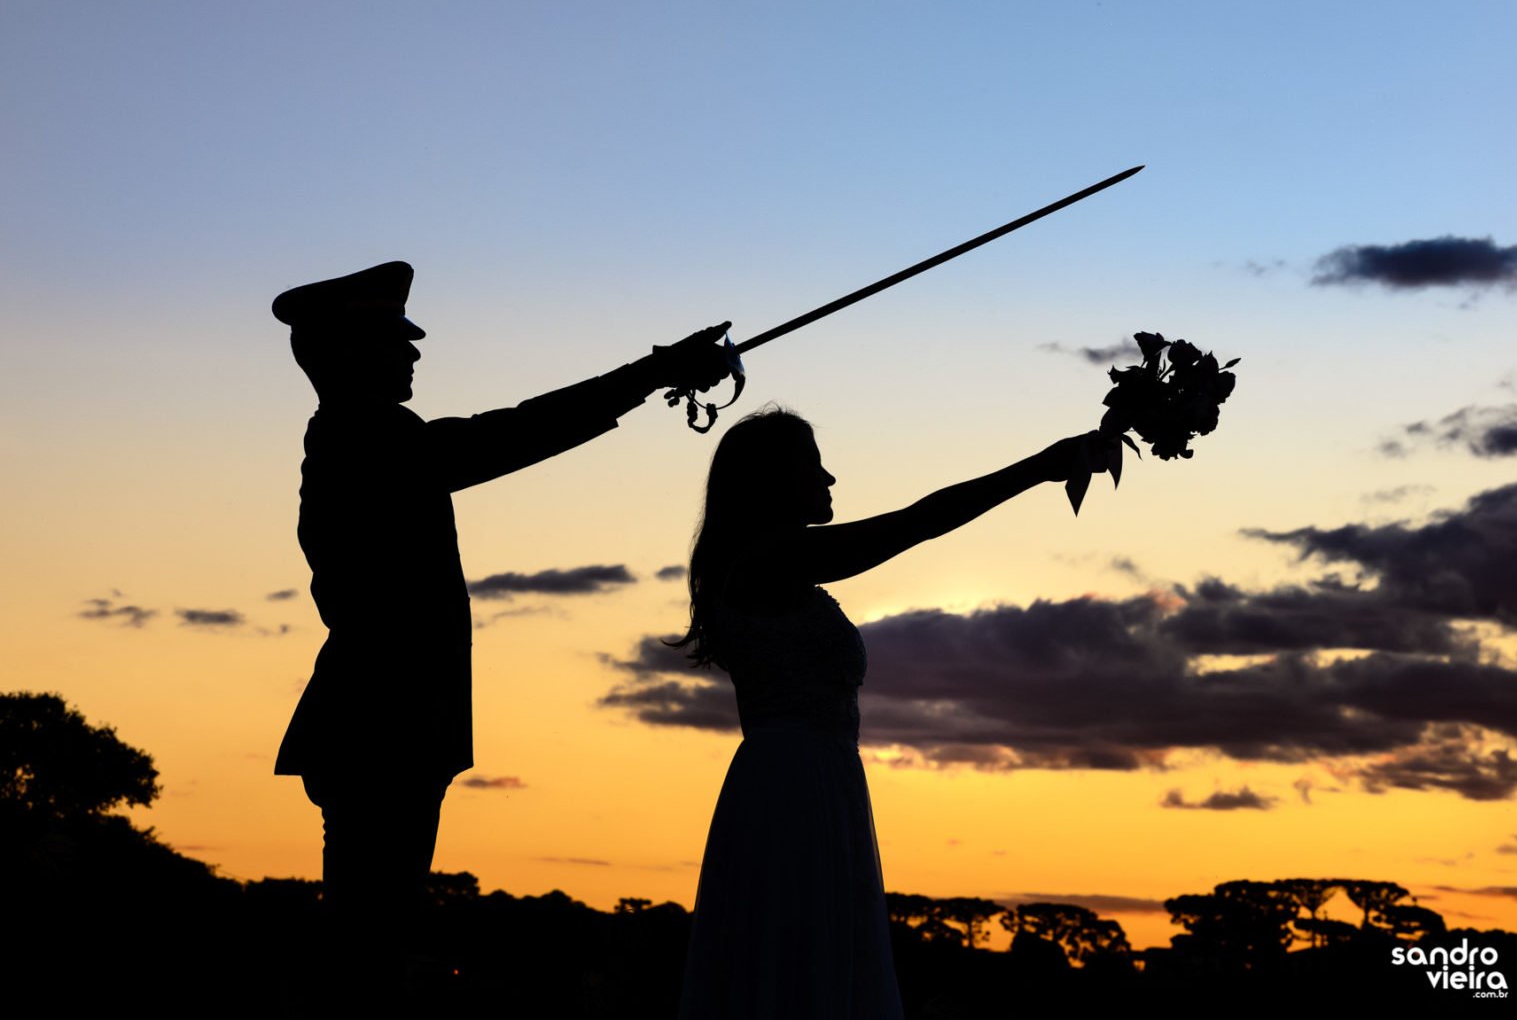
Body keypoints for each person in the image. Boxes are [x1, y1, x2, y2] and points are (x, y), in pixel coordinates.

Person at [271, 260, 732, 984]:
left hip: (383, 725)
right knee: (367, 948)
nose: (414, 353)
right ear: (351, 354)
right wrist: (653, 374)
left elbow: (505, 436)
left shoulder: (367, 439)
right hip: (382, 725)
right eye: (395, 341)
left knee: (371, 937)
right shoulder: (367, 439)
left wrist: (657, 374)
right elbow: (512, 434)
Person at [673, 407, 1111, 1018]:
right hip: (793, 788)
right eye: (813, 465)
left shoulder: (770, 569)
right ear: (774, 480)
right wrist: (1039, 468)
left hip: (813, 781)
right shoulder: (767, 565)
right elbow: (920, 521)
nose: (829, 479)